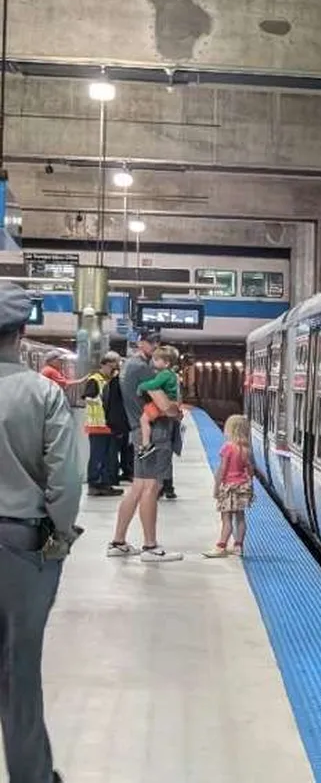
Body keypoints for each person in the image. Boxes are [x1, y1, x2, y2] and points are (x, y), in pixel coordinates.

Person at [0, 282, 81, 783]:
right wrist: (61, 535)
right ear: (22, 331)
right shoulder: (42, 392)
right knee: (18, 672)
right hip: (22, 547)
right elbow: (66, 479)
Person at [107, 330, 182, 562]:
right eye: (152, 342)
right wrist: (176, 411)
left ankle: (118, 542)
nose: (156, 346)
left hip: (137, 430)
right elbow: (163, 404)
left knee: (138, 488)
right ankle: (150, 547)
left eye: (158, 342)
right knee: (151, 487)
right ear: (140, 343)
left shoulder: (128, 365)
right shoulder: (144, 368)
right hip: (155, 432)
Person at [202, 415, 253, 558]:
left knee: (226, 519)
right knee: (240, 518)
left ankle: (221, 546)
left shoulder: (228, 448)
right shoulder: (245, 450)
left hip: (229, 486)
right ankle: (238, 546)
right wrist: (249, 483)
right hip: (242, 486)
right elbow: (250, 470)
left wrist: (217, 486)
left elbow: (222, 469)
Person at [82, 351, 123, 497]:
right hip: (97, 425)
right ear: (105, 365)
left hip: (107, 425)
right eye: (113, 367)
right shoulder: (95, 379)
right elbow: (88, 398)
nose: (114, 370)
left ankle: (105, 483)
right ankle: (95, 483)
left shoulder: (108, 380)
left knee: (108, 456)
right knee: (98, 456)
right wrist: (103, 402)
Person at [134, 345, 180, 460]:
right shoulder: (171, 374)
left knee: (143, 420)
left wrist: (141, 386)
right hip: (169, 403)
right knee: (146, 419)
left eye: (156, 360)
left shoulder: (165, 374)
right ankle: (146, 445)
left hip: (162, 403)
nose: (153, 362)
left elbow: (153, 385)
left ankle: (146, 445)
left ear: (166, 363)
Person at [104, 365, 134, 483]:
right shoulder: (122, 383)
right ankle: (113, 476)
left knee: (121, 448)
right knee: (116, 449)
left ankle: (124, 472)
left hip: (117, 419)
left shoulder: (114, 381)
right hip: (121, 420)